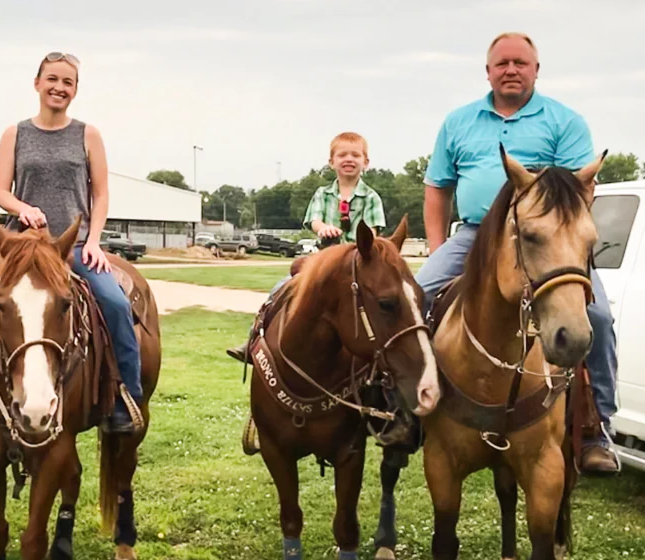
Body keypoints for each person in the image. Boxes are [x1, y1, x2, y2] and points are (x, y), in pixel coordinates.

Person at [416, 32, 619, 475]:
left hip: (545, 237)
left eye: (520, 63)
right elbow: (437, 189)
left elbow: (574, 191)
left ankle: (597, 426)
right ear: (488, 71)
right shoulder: (458, 122)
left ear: (536, 70)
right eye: (502, 63)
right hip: (473, 235)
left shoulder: (564, 121)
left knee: (599, 316)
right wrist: (437, 248)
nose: (511, 70)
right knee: (413, 297)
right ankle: (403, 406)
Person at [0, 52, 142, 438]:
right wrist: (22, 208)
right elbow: (0, 191)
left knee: (113, 303)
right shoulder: (15, 133)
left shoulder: (87, 134)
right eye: (53, 79)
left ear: (75, 90)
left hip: (70, 247)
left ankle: (124, 397)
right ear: (37, 83)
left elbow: (102, 193)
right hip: (20, 247)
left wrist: (94, 240)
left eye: (68, 82)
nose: (59, 88)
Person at [226, 131, 386, 362]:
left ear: (366, 162)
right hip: (325, 260)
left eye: (355, 155)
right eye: (342, 155)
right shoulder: (322, 194)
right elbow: (314, 220)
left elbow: (373, 230)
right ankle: (254, 338)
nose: (349, 159)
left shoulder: (371, 198)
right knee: (284, 286)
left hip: (356, 262)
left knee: (381, 299)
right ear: (332, 162)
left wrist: (361, 242)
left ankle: (385, 352)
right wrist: (322, 229)